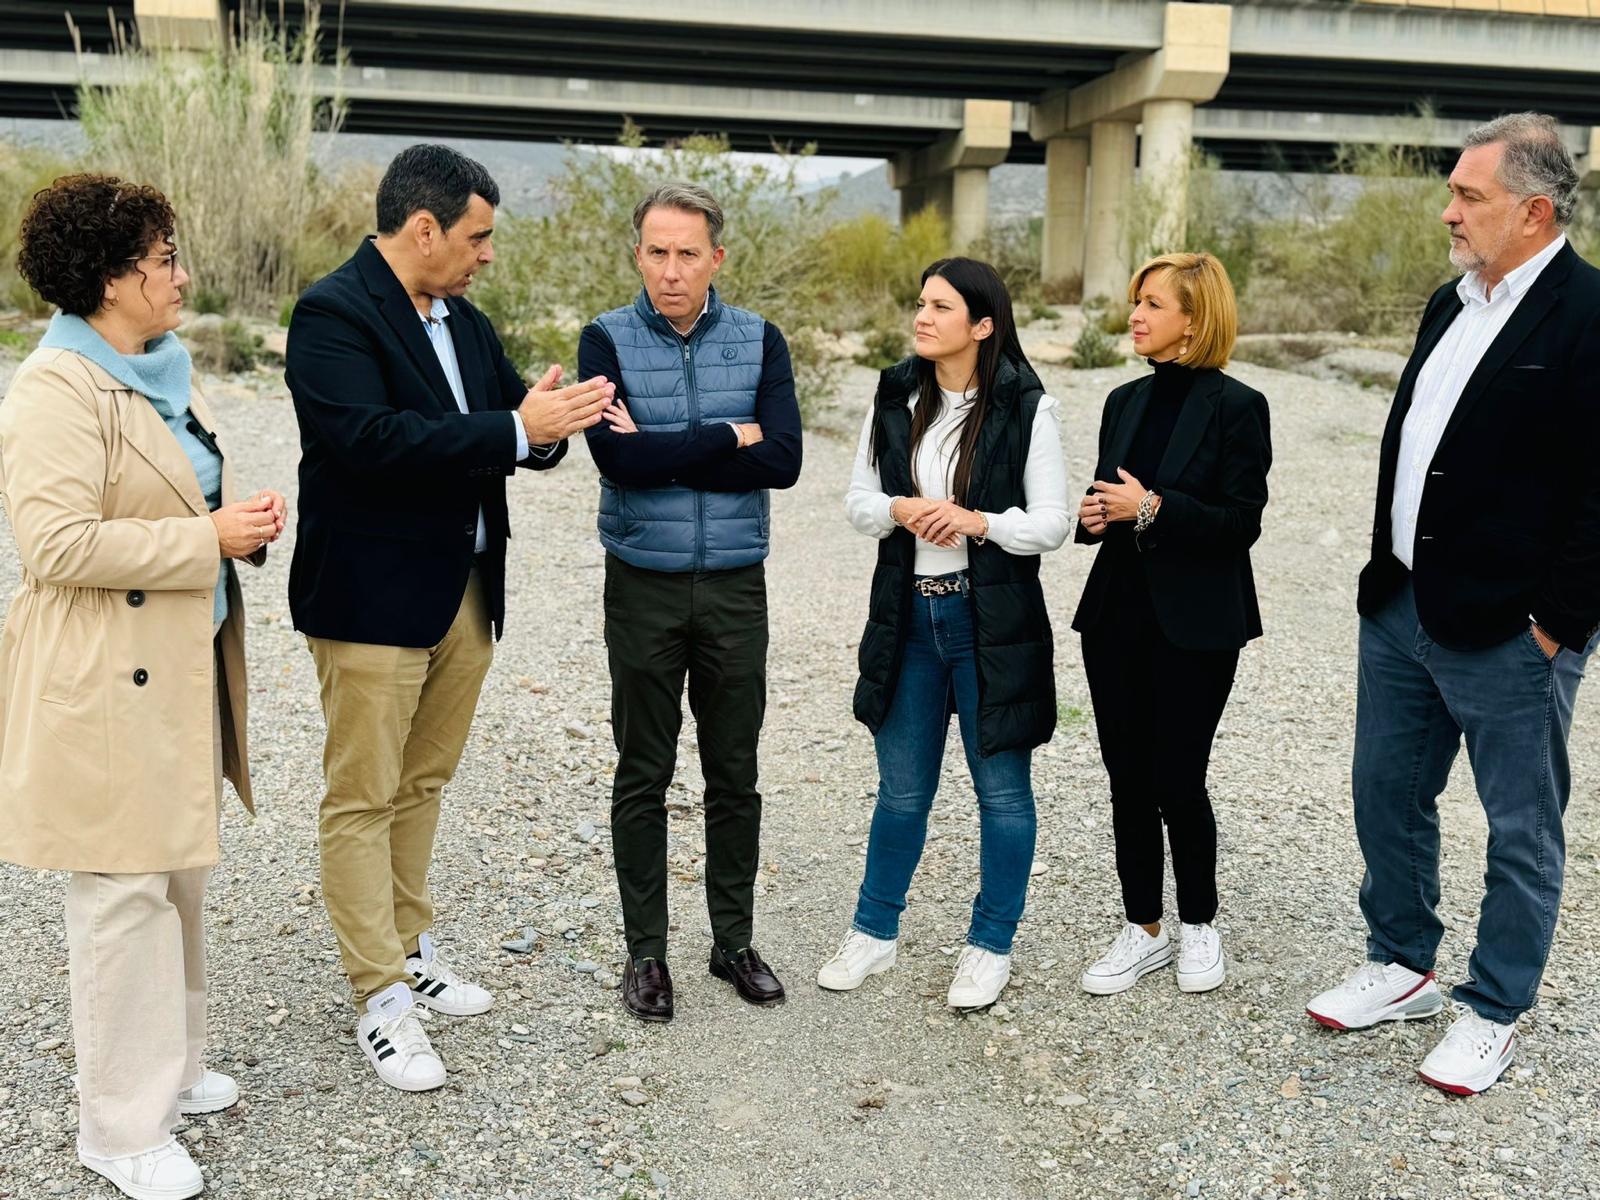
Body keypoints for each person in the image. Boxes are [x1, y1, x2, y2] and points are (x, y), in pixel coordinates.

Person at [285, 144, 614, 1090]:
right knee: (362, 793)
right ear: (423, 229)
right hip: (373, 598)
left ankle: (407, 945)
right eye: (478, 237)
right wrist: (519, 430)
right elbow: (370, 443)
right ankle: (379, 996)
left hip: (464, 592)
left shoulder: (460, 319)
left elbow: (511, 419)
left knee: (421, 783)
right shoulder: (333, 313)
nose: (487, 255)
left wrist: (549, 421)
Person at [0, 174, 285, 1200]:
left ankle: (174, 1069)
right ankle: (118, 1129)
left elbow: (181, 489)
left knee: (179, 873)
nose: (183, 276)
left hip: (180, 657)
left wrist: (232, 530)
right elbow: (57, 543)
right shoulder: (52, 391)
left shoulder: (160, 367)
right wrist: (203, 537)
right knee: (121, 893)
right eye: (165, 260)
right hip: (103, 677)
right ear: (110, 278)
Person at [1305, 113, 1600, 1095]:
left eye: (1467, 196)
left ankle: (1493, 1007)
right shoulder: (1448, 302)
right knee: (1384, 792)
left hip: (1511, 631)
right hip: (1400, 605)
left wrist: (1555, 625)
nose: (1447, 212)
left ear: (1533, 208)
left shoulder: (1588, 317)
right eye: (1451, 193)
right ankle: (1401, 963)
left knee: (1519, 826)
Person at [819, 256, 1070, 1010]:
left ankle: (991, 946)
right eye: (920, 303)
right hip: (908, 615)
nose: (922, 317)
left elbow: (1052, 524)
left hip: (988, 619)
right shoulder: (895, 394)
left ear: (982, 326)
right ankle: (874, 933)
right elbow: (858, 500)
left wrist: (978, 522)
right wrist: (898, 510)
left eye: (940, 307)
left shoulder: (1030, 406)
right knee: (900, 792)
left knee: (1002, 793)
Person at [578, 182, 803, 1023]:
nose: (671, 271)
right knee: (644, 769)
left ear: (718, 257)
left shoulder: (760, 340)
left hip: (736, 583)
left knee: (734, 770)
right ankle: (647, 954)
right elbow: (617, 464)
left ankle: (732, 940)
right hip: (642, 583)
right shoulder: (605, 337)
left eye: (688, 253)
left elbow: (782, 460)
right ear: (637, 254)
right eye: (656, 252)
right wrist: (723, 436)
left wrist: (668, 449)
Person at [1071, 252, 1271, 999]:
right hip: (1117, 612)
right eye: (1136, 302)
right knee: (1126, 775)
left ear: (1195, 319)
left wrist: (1153, 508)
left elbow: (1240, 522)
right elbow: (1107, 501)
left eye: (1153, 304)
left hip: (1199, 621)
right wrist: (1096, 518)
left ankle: (1199, 925)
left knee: (1179, 778)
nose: (1137, 315)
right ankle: (1142, 928)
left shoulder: (1238, 405)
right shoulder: (1123, 400)